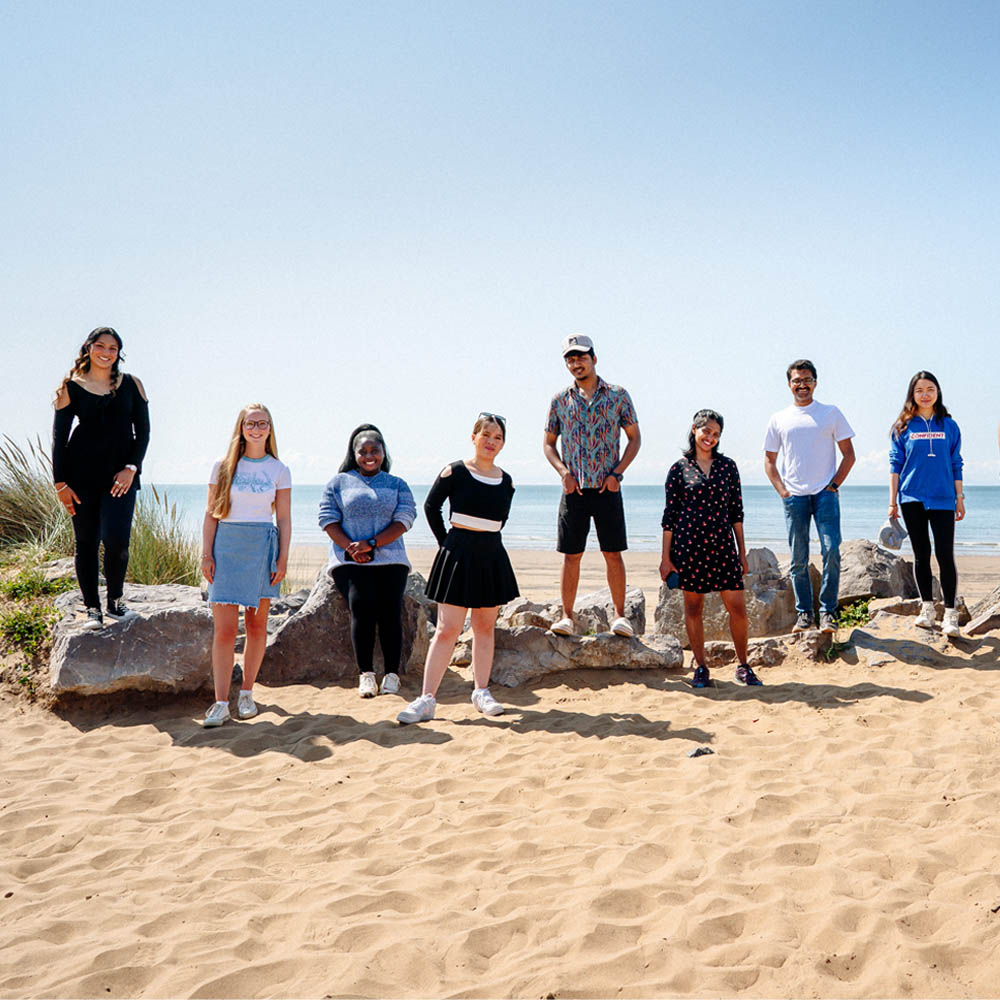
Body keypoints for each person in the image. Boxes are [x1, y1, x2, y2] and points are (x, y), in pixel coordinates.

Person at [397, 413, 518, 724]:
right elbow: (430, 507)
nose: (491, 441)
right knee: (448, 629)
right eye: (486, 434)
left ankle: (481, 691)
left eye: (498, 437)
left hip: (491, 553)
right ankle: (426, 700)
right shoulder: (455, 471)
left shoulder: (506, 481)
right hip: (457, 553)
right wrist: (446, 544)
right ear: (474, 436)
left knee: (484, 627)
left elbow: (499, 521)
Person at [543, 334, 641, 637]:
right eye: (570, 359)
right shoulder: (560, 400)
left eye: (581, 357)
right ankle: (567, 617)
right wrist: (563, 473)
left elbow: (634, 438)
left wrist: (617, 475)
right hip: (574, 490)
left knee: (613, 553)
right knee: (571, 555)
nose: (576, 363)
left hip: (607, 489)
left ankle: (620, 617)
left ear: (594, 359)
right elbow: (548, 444)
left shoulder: (618, 395)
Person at [52, 327, 150, 627]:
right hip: (80, 477)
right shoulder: (72, 386)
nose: (106, 352)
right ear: (88, 348)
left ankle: (116, 603)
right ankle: (92, 609)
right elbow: (59, 437)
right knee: (86, 542)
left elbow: (143, 432)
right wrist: (61, 484)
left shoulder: (132, 384)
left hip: (121, 478)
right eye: (101, 346)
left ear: (119, 352)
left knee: (117, 540)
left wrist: (131, 468)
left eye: (113, 347)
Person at [201, 404, 291, 727]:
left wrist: (282, 558)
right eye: (250, 423)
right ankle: (221, 702)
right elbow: (211, 514)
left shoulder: (279, 470)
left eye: (262, 423)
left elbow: (283, 518)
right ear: (241, 427)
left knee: (255, 627)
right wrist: (206, 554)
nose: (256, 428)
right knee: (225, 630)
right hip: (226, 548)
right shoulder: (223, 466)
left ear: (270, 428)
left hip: (261, 548)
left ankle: (247, 693)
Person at [660, 410, 758, 688]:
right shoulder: (678, 469)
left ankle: (743, 665)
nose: (710, 438)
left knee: (737, 608)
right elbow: (669, 517)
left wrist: (742, 552)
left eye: (716, 434)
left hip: (723, 547)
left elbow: (736, 513)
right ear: (694, 430)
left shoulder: (728, 467)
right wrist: (665, 559)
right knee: (693, 608)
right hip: (688, 547)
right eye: (706, 432)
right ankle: (701, 667)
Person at [318, 425, 417, 697]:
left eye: (375, 450)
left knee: (389, 610)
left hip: (391, 559)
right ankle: (366, 675)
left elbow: (405, 519)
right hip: (349, 561)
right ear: (354, 453)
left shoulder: (397, 484)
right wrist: (351, 548)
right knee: (360, 605)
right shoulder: (338, 483)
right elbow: (327, 519)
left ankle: (392, 675)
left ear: (384, 453)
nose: (369, 456)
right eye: (363, 451)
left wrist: (372, 543)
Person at [764, 359, 855, 633]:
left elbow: (849, 455)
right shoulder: (779, 418)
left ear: (815, 382)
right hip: (795, 497)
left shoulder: (830, 413)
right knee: (798, 558)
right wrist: (783, 491)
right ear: (789, 384)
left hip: (825, 494)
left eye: (807, 380)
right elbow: (769, 461)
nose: (802, 385)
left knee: (832, 551)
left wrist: (835, 485)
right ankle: (805, 615)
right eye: (796, 381)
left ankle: (828, 613)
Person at [888, 372, 964, 636]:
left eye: (930, 389)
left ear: (938, 392)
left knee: (945, 554)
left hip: (944, 498)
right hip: (912, 498)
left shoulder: (949, 425)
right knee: (921, 554)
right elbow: (895, 465)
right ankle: (927, 608)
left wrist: (960, 497)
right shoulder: (902, 426)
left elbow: (956, 463)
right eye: (919, 390)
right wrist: (892, 502)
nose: (925, 394)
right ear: (912, 394)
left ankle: (951, 615)